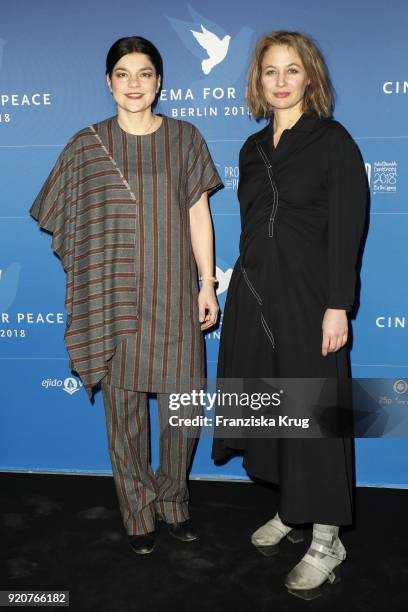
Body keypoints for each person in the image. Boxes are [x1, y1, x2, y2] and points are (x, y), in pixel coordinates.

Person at [30, 36, 222, 555]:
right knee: (125, 414)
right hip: (111, 299)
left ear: (160, 81)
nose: (134, 83)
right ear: (108, 82)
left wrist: (207, 283)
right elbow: (66, 219)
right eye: (123, 73)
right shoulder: (87, 144)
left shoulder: (185, 138)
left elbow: (197, 214)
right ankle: (138, 511)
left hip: (175, 295)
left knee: (183, 409)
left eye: (144, 73)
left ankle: (174, 502)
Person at [212, 31, 368, 599]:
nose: (281, 81)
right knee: (272, 406)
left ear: (310, 78)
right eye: (270, 71)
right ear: (258, 81)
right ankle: (292, 509)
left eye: (292, 70)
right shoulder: (251, 149)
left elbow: (348, 229)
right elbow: (254, 227)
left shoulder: (333, 141)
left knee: (318, 412)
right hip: (256, 296)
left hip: (311, 298)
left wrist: (337, 305)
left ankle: (327, 537)